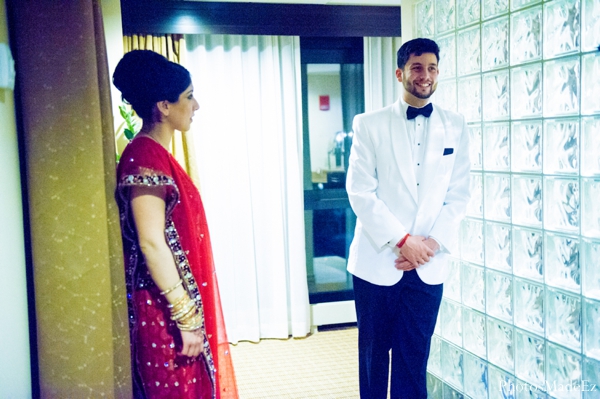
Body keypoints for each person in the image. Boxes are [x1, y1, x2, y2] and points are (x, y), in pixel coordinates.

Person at [346, 38, 470, 398]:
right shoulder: (368, 124)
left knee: (414, 356)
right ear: (400, 72)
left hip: (429, 265)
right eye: (417, 67)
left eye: (432, 67)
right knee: (373, 356)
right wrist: (404, 241)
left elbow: (459, 194)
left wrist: (429, 245)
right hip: (376, 262)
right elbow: (360, 192)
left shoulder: (456, 125)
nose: (425, 75)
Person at [113, 50, 238, 399]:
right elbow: (151, 242)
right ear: (164, 106)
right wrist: (186, 316)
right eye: (189, 96)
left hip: (169, 305)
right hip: (162, 310)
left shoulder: (156, 153)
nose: (196, 105)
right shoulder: (144, 155)